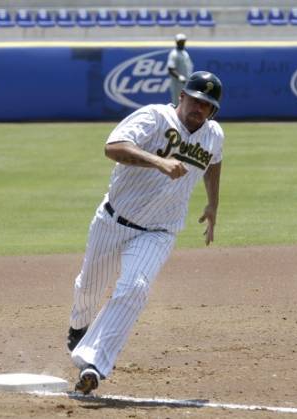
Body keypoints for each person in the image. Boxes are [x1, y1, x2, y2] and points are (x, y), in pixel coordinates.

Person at [67, 71, 224, 394]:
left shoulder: (214, 135)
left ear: (212, 111)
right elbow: (113, 147)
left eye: (206, 105)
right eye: (194, 100)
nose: (198, 108)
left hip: (160, 230)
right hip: (113, 222)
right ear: (182, 96)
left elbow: (215, 163)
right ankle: (78, 327)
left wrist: (212, 205)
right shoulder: (155, 117)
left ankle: (94, 363)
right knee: (89, 289)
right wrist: (158, 162)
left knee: (135, 288)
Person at [167, 33, 193, 106]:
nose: (182, 43)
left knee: (185, 103)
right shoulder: (174, 54)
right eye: (180, 42)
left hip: (186, 83)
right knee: (178, 103)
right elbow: (170, 69)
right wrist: (179, 77)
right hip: (177, 84)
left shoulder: (184, 53)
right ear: (176, 42)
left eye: (183, 41)